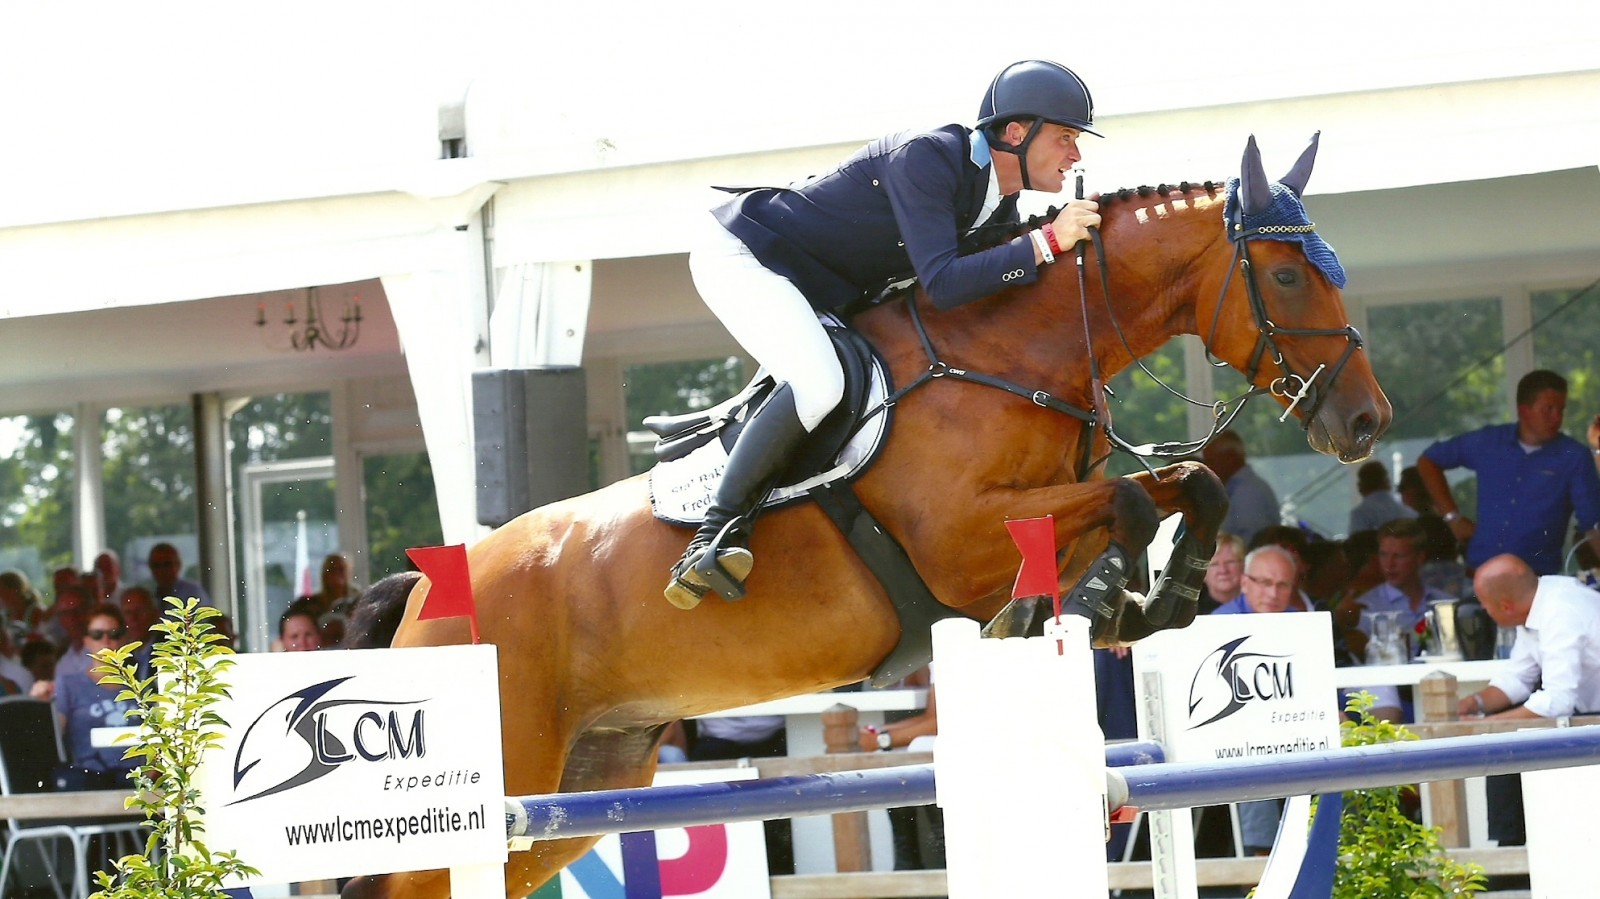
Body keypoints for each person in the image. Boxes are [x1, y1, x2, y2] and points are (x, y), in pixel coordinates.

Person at [663, 59, 1104, 609]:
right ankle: (713, 538)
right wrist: (1047, 243)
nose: (1076, 154)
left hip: (822, 287)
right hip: (750, 257)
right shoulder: (929, 157)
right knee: (821, 385)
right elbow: (943, 282)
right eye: (1065, 137)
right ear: (1017, 133)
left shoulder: (996, 202)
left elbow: (979, 284)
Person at [1457, 553, 1600, 846]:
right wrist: (1476, 703)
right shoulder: (1537, 601)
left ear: (1505, 606)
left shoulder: (1560, 610)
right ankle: (1510, 851)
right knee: (1504, 745)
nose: (1483, 609)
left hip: (1591, 719)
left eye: (1484, 604)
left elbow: (1558, 700)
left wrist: (1492, 724)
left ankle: (1512, 859)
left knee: (1505, 741)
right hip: (1586, 717)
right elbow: (1517, 678)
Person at [1417, 369, 1600, 575]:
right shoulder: (1490, 441)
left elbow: (1592, 523)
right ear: (1524, 411)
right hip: (1481, 573)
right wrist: (1453, 517)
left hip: (1536, 579)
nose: (1557, 417)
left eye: (1561, 409)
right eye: (1548, 409)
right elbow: (1428, 460)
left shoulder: (1573, 456)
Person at [52, 604, 139, 790]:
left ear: (125, 639)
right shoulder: (69, 684)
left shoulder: (143, 685)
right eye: (97, 635)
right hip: (90, 779)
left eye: (114, 634)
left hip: (138, 779)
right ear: (86, 641)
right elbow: (54, 738)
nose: (106, 641)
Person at [1343, 519, 1455, 661]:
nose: (1390, 564)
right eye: (1384, 555)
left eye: (1399, 556)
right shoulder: (1366, 608)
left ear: (1420, 558)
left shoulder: (1446, 603)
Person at [1200, 431, 1281, 542]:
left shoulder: (1248, 491)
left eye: (1210, 461)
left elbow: (1251, 541)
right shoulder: (1236, 488)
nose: (1207, 468)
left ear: (1230, 458)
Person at [1348, 461, 1416, 534]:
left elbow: (1357, 543)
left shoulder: (1360, 514)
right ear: (1387, 482)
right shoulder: (1409, 511)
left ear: (1360, 486)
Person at [146, 542, 213, 606]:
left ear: (178, 565)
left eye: (167, 564)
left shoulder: (193, 592)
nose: (162, 570)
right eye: (156, 565)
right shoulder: (149, 594)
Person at [1199, 533, 1246, 614]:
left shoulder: (1257, 605)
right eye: (1214, 564)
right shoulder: (1192, 612)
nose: (1223, 570)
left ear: (1244, 565)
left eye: (1230, 562)